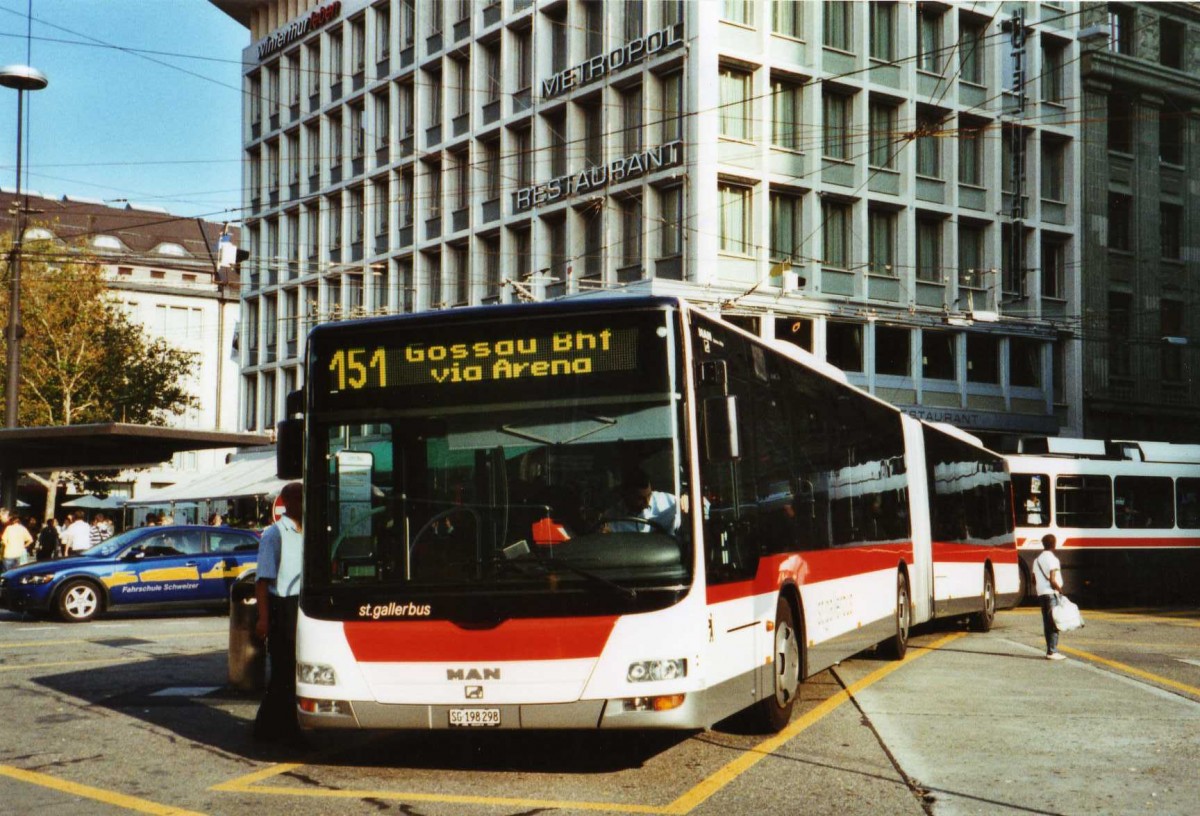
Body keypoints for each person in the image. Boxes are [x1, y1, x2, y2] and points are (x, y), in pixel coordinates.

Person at [253, 482, 305, 743]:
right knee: (283, 671)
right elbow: (262, 581)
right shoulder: (275, 534)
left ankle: (271, 728)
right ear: (287, 501)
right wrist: (263, 619)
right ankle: (278, 730)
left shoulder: (307, 531)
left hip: (301, 604)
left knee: (292, 671)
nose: (303, 503)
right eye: (299, 498)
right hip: (282, 606)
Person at [604, 467, 679, 534]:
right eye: (640, 498)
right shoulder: (612, 519)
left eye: (649, 495)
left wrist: (684, 500)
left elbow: (682, 503)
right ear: (627, 495)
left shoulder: (667, 502)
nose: (647, 502)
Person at [1033, 533, 1067, 660]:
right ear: (1054, 544)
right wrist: (1060, 590)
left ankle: (1050, 650)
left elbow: (1033, 579)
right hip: (1051, 594)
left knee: (1047, 623)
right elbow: (1053, 580)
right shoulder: (1053, 560)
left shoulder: (1036, 560)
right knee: (1053, 622)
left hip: (1041, 593)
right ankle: (1052, 651)